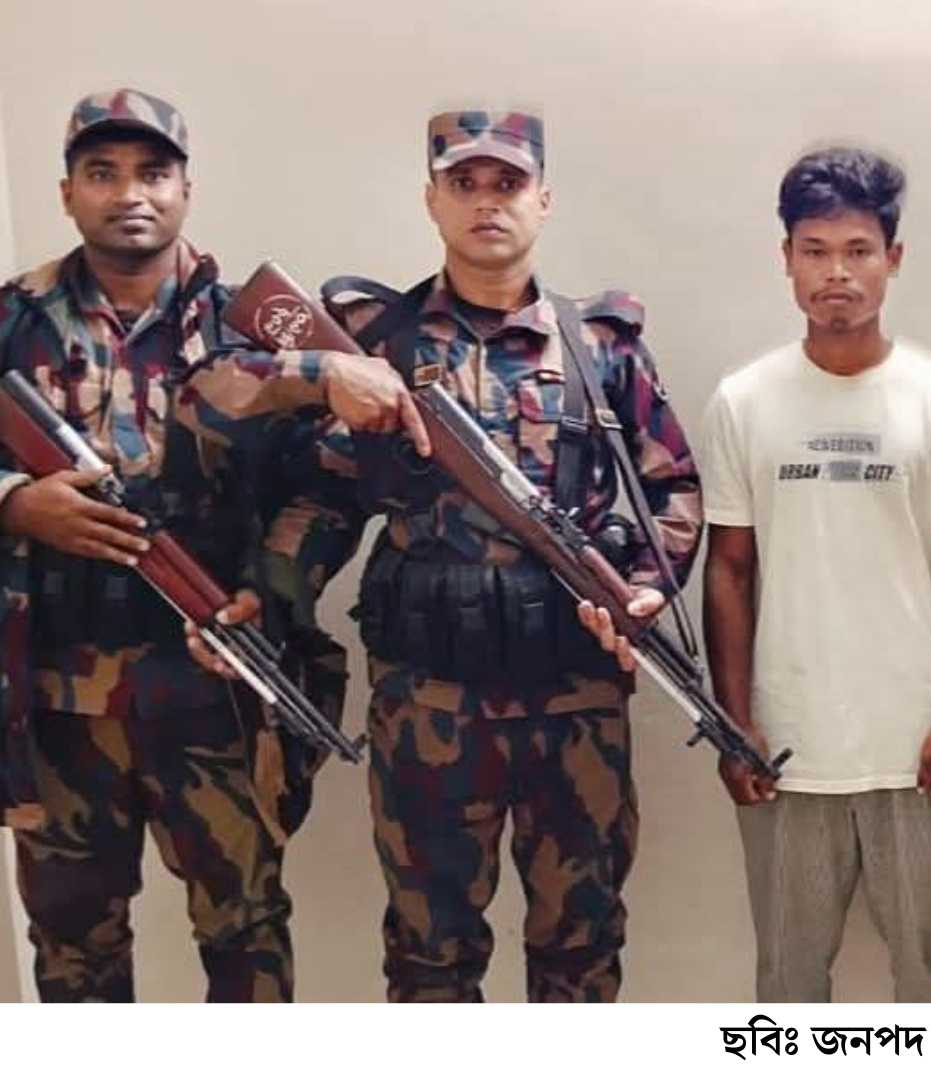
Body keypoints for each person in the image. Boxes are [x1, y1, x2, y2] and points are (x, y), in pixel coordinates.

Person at [185, 108, 702, 1002]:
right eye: (464, 183)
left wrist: (651, 590)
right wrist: (267, 598)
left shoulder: (599, 348)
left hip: (574, 700)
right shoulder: (377, 346)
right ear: (432, 200)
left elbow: (674, 489)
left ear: (544, 200)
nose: (486, 202)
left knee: (581, 951)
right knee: (430, 958)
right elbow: (327, 498)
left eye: (508, 184)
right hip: (428, 707)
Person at [0, 88, 354, 1002]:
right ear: (67, 192)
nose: (130, 193)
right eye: (102, 172)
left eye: (152, 173)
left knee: (245, 933)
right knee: (72, 947)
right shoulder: (11, 320)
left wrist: (269, 589)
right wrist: (16, 503)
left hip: (214, 687)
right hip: (59, 696)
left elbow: (328, 484)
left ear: (186, 189)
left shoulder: (257, 328)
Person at [700, 145, 931, 1002]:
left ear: (893, 258)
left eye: (858, 250)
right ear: (786, 258)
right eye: (815, 250)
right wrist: (737, 724)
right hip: (787, 746)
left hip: (914, 745)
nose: (837, 273)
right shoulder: (744, 400)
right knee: (787, 979)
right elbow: (729, 570)